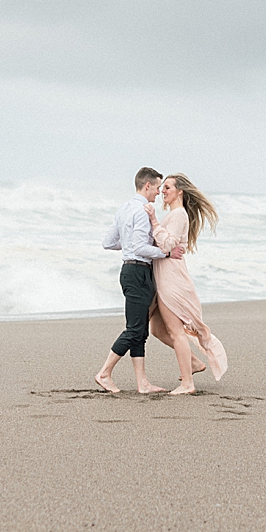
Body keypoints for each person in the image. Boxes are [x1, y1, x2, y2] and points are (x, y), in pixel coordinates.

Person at [95, 167, 184, 394]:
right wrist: (165, 253)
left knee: (140, 330)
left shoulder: (124, 208)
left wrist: (129, 246)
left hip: (128, 271)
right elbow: (140, 247)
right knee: (135, 329)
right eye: (157, 187)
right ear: (147, 186)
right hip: (138, 273)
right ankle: (104, 373)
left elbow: (108, 242)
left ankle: (142, 382)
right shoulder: (144, 210)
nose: (158, 193)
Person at [145, 173, 227, 395]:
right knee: (158, 329)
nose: (163, 191)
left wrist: (153, 220)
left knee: (175, 330)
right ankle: (193, 362)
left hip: (171, 278)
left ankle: (187, 383)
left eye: (168, 187)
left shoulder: (179, 215)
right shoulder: (174, 215)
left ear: (179, 191)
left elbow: (168, 244)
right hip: (165, 275)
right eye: (163, 188)